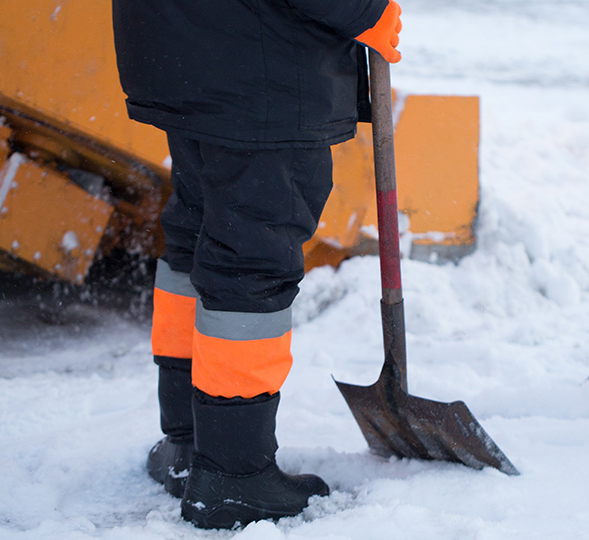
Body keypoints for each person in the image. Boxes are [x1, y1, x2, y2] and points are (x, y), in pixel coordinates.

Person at [111, 0, 402, 529]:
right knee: (251, 256)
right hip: (261, 63)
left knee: (199, 232)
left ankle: (190, 441)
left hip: (189, 44)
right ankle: (232, 473)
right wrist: (363, 9)